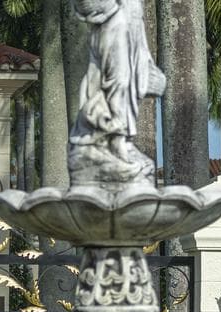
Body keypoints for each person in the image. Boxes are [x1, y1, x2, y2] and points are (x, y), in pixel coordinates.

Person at [69, 0, 165, 184]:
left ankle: (111, 137)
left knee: (104, 76)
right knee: (117, 79)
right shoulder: (115, 22)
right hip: (115, 17)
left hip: (123, 17)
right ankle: (114, 137)